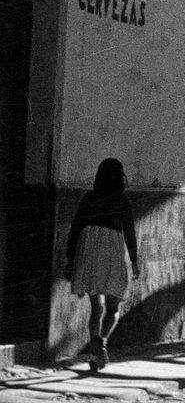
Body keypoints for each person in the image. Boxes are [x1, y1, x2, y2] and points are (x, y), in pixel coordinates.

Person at [66, 157, 139, 371]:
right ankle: (101, 341)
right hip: (112, 252)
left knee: (96, 306)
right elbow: (130, 233)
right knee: (113, 307)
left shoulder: (89, 198)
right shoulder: (122, 201)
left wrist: (70, 258)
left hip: (89, 250)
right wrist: (134, 260)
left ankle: (92, 352)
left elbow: (76, 226)